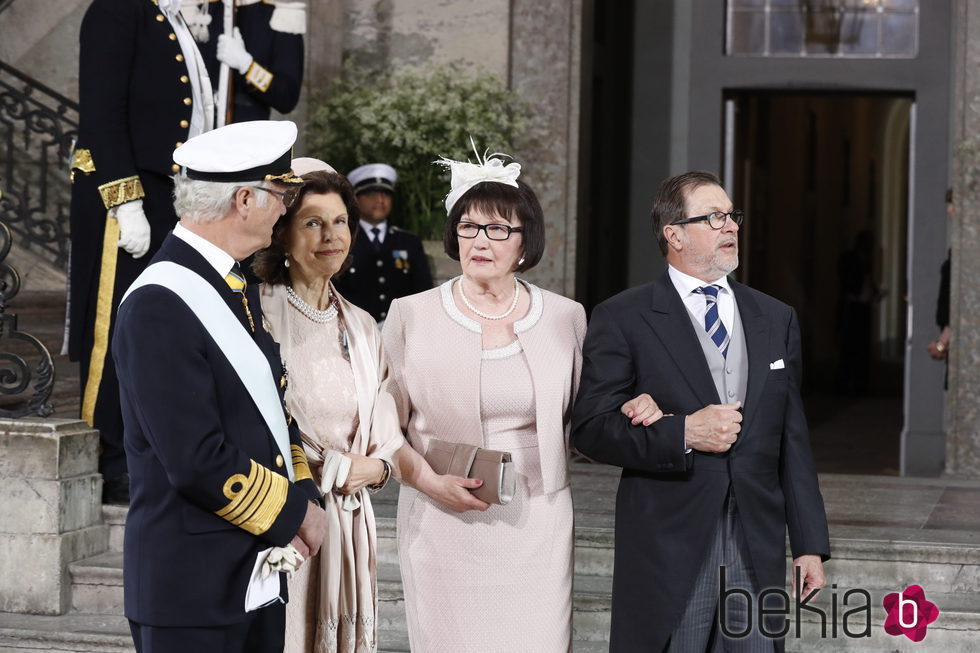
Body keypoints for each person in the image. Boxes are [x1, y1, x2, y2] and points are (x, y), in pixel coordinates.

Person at [571, 171, 831, 652]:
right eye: (714, 217)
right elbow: (590, 429)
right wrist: (684, 432)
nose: (730, 226)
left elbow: (792, 439)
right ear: (673, 234)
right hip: (670, 538)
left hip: (757, 537)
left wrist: (810, 542)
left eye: (732, 216)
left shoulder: (776, 317)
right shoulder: (624, 317)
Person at [254, 158, 491, 652]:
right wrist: (338, 469)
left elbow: (387, 436)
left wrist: (392, 471)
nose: (330, 236)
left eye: (340, 221)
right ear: (281, 234)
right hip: (282, 521)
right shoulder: (256, 312)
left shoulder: (360, 325)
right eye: (312, 223)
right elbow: (253, 423)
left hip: (348, 528)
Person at [112, 120, 326, 653]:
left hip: (250, 574)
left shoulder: (231, 283)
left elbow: (271, 416)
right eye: (281, 194)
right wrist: (295, 512)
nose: (286, 209)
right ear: (246, 200)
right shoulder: (160, 303)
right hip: (190, 588)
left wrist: (303, 490)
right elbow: (195, 458)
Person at [379, 148, 590, 652]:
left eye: (497, 229)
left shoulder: (567, 317)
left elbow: (589, 414)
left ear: (525, 242)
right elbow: (381, 421)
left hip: (537, 522)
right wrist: (427, 480)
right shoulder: (411, 313)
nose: (480, 240)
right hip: (441, 517)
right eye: (469, 227)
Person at [69, 0, 215, 503]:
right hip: (130, 196)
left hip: (171, 195)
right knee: (115, 324)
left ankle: (146, 447)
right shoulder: (116, 9)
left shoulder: (171, 19)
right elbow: (102, 114)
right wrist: (125, 199)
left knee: (159, 328)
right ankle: (109, 453)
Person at [333, 163, 433, 323]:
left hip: (403, 331)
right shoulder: (343, 240)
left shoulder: (409, 242)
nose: (380, 200)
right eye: (371, 194)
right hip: (355, 332)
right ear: (355, 199)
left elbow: (424, 293)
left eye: (386, 194)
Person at [183, 0, 306, 122]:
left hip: (247, 135)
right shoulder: (191, 8)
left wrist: (248, 67)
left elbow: (287, 98)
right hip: (197, 133)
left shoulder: (281, 15)